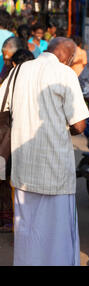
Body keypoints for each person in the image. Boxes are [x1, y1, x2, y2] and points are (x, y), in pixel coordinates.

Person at [0, 37, 89, 266]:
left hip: (23, 169)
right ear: (68, 57)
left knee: (28, 232)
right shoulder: (65, 73)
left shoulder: (18, 71)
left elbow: (3, 109)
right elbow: (79, 125)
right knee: (57, 236)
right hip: (55, 170)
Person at [0, 48, 34, 234]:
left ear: (13, 64)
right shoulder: (38, 81)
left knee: (7, 180)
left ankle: (10, 221)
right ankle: (17, 223)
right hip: (29, 139)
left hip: (8, 138)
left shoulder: (7, 82)